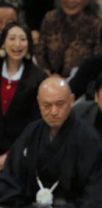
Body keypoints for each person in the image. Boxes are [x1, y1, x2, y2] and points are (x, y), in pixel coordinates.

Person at [0, 76, 102, 208]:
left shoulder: (89, 139)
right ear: (38, 103)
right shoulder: (31, 132)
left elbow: (98, 189)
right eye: (46, 105)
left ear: (71, 100)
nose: (53, 112)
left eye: (60, 104)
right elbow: (11, 178)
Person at [0, 22, 46, 170]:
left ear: (29, 44)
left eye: (23, 39)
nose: (17, 44)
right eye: (12, 38)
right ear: (3, 43)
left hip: (19, 152)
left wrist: (11, 155)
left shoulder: (39, 78)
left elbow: (36, 124)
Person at [36, 0, 101, 78]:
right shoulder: (50, 18)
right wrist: (46, 73)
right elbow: (40, 52)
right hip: (49, 80)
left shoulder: (96, 25)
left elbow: (97, 62)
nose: (71, 1)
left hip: (82, 83)